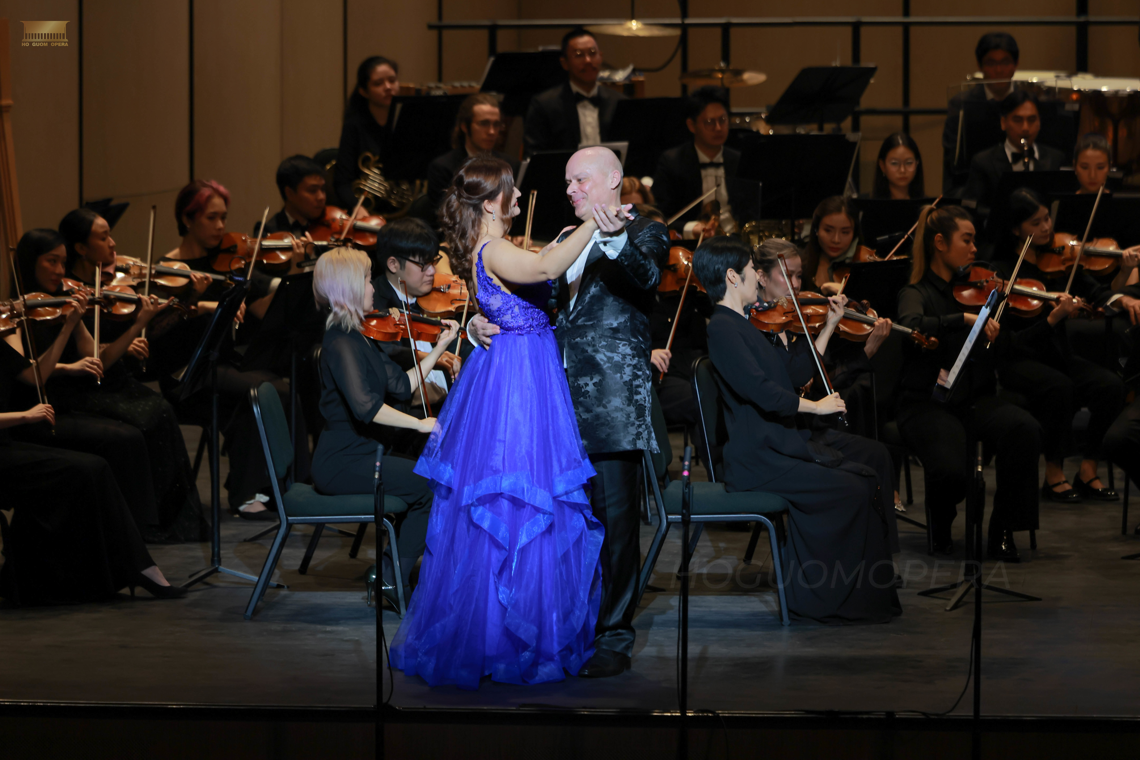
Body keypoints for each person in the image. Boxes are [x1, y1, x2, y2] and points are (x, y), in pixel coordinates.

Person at [392, 155, 631, 688]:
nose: (520, 196)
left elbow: (538, 267)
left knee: (519, 497)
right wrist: (594, 221)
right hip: (517, 381)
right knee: (517, 498)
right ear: (490, 202)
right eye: (511, 190)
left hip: (523, 370)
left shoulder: (497, 247)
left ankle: (504, 630)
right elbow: (544, 271)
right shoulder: (494, 248)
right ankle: (505, 638)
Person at [466, 147, 668, 679]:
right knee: (564, 525)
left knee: (616, 526)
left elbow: (647, 277)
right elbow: (527, 302)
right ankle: (569, 628)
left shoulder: (644, 231)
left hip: (611, 405)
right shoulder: (562, 238)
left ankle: (614, 636)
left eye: (580, 180)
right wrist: (475, 323)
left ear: (613, 179)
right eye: (568, 182)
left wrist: (613, 236)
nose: (570, 190)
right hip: (551, 404)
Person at [695, 235, 900, 624]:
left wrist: (830, 326)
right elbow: (763, 392)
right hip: (757, 459)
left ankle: (859, 594)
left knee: (865, 477)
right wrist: (816, 406)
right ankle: (821, 598)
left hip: (776, 446)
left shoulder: (743, 323)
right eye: (751, 269)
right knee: (852, 488)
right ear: (732, 277)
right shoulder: (723, 328)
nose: (757, 274)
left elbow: (795, 373)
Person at [11, 221, 206, 543]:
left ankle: (146, 525)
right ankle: (130, 530)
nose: (59, 270)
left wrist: (138, 323)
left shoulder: (64, 301)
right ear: (30, 262)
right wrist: (68, 348)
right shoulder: (15, 314)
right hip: (42, 408)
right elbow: (31, 374)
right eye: (51, 261)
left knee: (144, 424)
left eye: (62, 262)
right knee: (126, 436)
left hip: (67, 399)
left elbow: (97, 358)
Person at [896, 204, 1042, 560]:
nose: (975, 249)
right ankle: (941, 521)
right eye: (967, 240)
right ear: (940, 243)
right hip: (928, 403)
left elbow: (1006, 348)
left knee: (1024, 428)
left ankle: (1003, 529)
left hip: (973, 398)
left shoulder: (977, 290)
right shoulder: (916, 292)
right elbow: (911, 325)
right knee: (952, 472)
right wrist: (961, 319)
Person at [308, 247, 451, 605]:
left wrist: (440, 348)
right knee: (431, 486)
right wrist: (419, 424)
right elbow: (366, 408)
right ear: (347, 288)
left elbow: (402, 385)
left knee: (429, 481)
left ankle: (389, 573)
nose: (373, 287)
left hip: (364, 454)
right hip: (342, 461)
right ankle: (390, 579)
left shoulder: (359, 335)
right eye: (366, 279)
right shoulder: (340, 342)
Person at [0, 339, 185, 604]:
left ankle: (117, 572)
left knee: (94, 467)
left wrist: (69, 325)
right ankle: (131, 570)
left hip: (7, 445)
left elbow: (33, 373)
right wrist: (25, 416)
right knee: (84, 469)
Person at [993, 187, 1131, 503]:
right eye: (1036, 223)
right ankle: (1053, 473)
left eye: (1047, 219)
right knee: (1060, 387)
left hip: (1056, 355)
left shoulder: (1060, 259)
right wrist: (1053, 318)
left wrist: (1122, 294)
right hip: (1020, 358)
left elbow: (1096, 291)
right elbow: (1012, 340)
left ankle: (1088, 469)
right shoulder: (1003, 271)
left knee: (1111, 386)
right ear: (1016, 229)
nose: (1046, 228)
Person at [370, 218, 462, 417]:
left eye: (433, 262)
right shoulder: (372, 301)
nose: (432, 271)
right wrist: (434, 357)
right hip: (408, 414)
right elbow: (388, 352)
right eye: (423, 264)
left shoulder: (437, 300)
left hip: (448, 406)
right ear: (393, 264)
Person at [651, 86, 740, 237]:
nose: (718, 128)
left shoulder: (738, 160)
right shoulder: (672, 162)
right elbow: (659, 216)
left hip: (736, 239)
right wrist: (692, 228)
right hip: (692, 244)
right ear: (692, 125)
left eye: (723, 120)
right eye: (710, 122)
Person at [963, 90, 1066, 218]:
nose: (1025, 128)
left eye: (1032, 120)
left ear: (1039, 122)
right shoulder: (983, 162)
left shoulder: (1056, 158)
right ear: (1003, 123)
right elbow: (971, 207)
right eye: (1018, 120)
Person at [523, 29, 625, 156]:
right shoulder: (544, 105)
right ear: (565, 63)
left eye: (593, 53)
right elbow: (534, 154)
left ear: (601, 57)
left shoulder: (620, 103)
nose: (588, 60)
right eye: (579, 55)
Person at [942, 32, 1020, 194]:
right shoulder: (962, 104)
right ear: (980, 65)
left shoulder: (1028, 102)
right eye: (991, 63)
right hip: (975, 188)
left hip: (1020, 186)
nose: (999, 70)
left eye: (1005, 62)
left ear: (1016, 64)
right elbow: (952, 159)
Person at [426, 93, 518, 213]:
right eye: (484, 123)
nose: (491, 131)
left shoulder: (511, 165)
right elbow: (444, 217)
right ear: (464, 126)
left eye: (496, 124)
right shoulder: (443, 168)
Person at [334, 56, 400, 209]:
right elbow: (342, 182)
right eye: (378, 83)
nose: (388, 87)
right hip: (367, 210)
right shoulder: (353, 126)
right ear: (364, 91)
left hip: (404, 212)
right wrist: (358, 209)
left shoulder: (407, 123)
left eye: (392, 80)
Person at [800, 195, 862, 296]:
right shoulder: (800, 265)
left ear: (854, 233)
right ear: (816, 229)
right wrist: (822, 290)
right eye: (828, 230)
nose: (836, 240)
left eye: (845, 232)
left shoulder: (861, 264)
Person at [872, 132, 925, 200]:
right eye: (894, 163)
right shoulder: (867, 205)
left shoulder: (929, 205)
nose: (902, 170)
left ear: (917, 163)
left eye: (909, 163)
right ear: (882, 166)